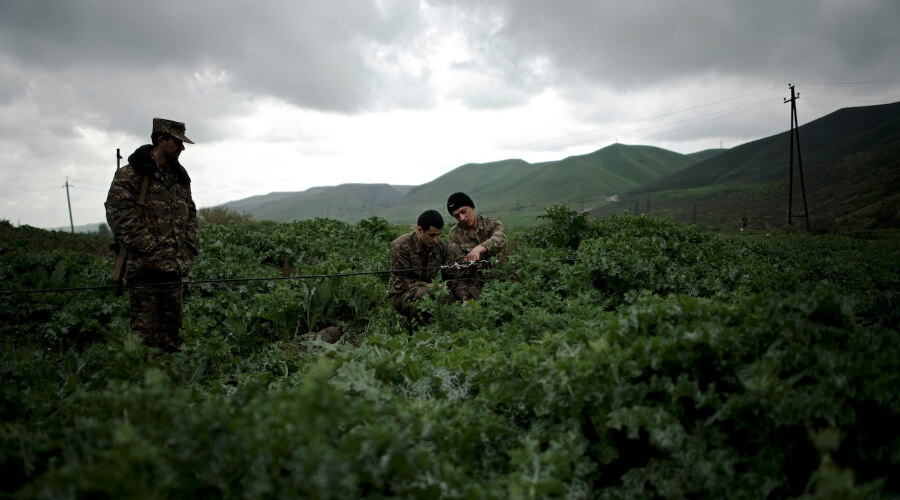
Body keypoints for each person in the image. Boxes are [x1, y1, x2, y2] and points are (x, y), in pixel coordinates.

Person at [105, 118, 200, 353]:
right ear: (161, 140)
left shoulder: (179, 178)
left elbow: (191, 214)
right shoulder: (131, 175)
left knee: (172, 336)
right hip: (144, 270)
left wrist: (188, 250)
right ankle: (143, 386)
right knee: (145, 339)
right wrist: (156, 253)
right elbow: (119, 216)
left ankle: (172, 383)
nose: (182, 147)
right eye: (177, 142)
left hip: (174, 269)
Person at [388, 209, 462, 320]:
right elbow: (400, 282)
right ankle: (417, 333)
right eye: (431, 235)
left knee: (451, 298)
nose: (436, 240)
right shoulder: (401, 246)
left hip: (429, 291)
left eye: (438, 235)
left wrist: (463, 297)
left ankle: (444, 331)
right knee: (424, 295)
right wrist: (430, 286)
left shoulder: (441, 247)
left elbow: (452, 276)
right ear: (420, 229)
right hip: (401, 294)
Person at [446, 192, 507, 301]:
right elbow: (458, 260)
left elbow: (500, 239)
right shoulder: (454, 233)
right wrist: (470, 263)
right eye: (457, 216)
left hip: (502, 276)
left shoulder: (493, 224)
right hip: (475, 281)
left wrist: (478, 249)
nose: (462, 218)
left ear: (472, 206)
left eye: (464, 211)